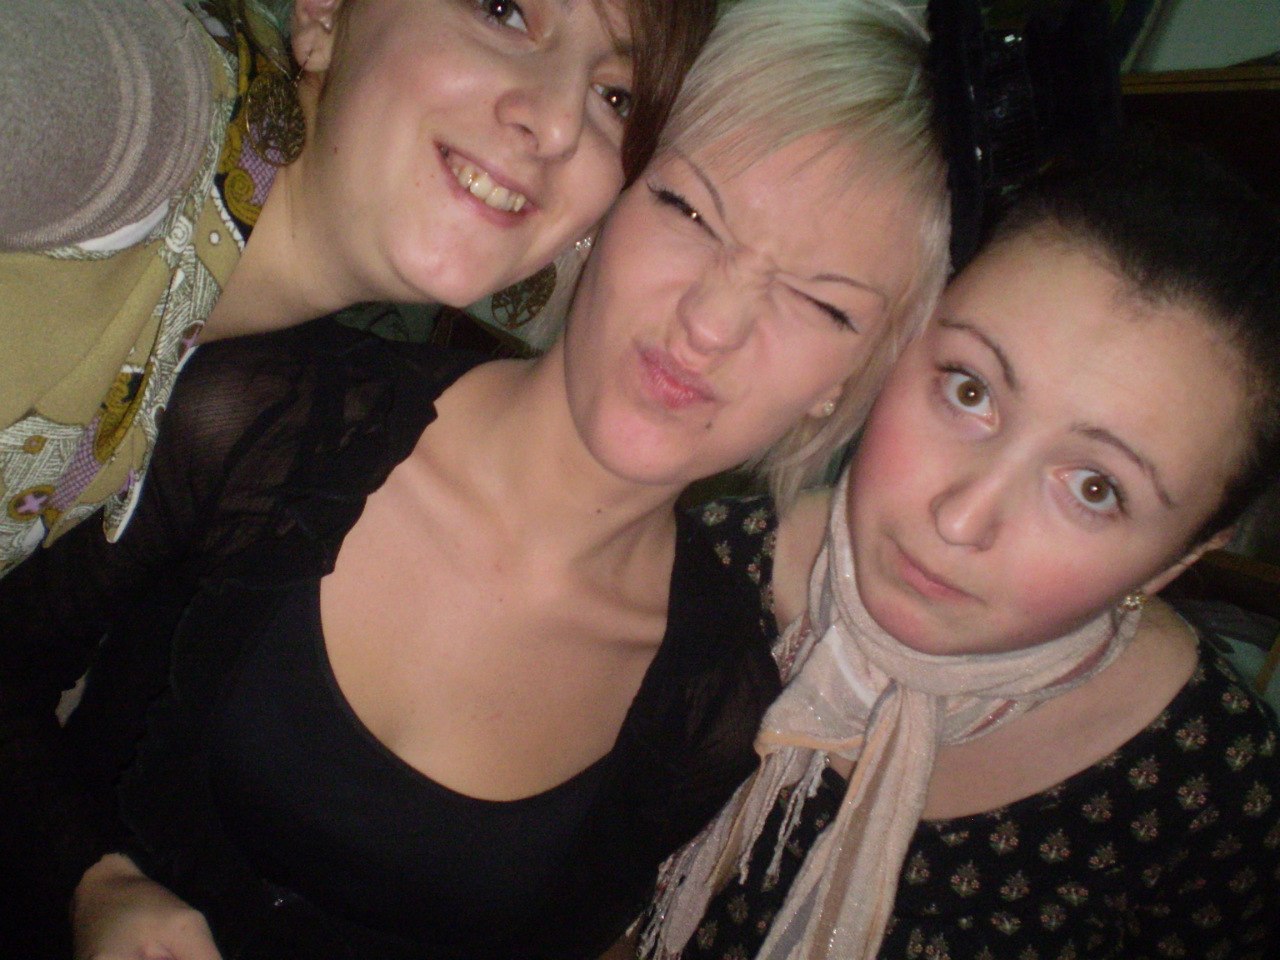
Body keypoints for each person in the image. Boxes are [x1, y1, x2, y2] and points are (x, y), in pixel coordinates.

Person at [0, 1, 950, 957]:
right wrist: (94, 881)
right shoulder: (266, 413)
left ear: (847, 383)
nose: (711, 324)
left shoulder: (710, 703)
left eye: (820, 303)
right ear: (611, 203)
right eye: (690, 212)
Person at [643, 137, 1280, 960]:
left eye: (1095, 488)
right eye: (969, 389)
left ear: (1179, 560)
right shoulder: (681, 572)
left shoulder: (1213, 789)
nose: (961, 518)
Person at [0, 0, 715, 578]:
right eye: (501, 10)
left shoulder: (223, 264)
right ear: (324, 14)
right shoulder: (142, 106)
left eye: (615, 97)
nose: (558, 124)